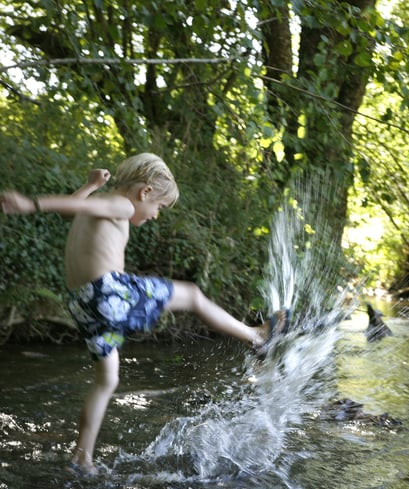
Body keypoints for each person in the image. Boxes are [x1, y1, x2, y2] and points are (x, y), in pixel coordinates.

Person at [1, 153, 289, 474]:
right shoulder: (122, 205)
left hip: (82, 304)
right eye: (159, 208)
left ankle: (81, 458)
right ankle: (256, 337)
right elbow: (76, 207)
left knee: (107, 379)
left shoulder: (98, 201)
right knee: (192, 295)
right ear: (145, 192)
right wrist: (30, 204)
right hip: (108, 293)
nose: (155, 216)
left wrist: (89, 185)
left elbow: (74, 209)